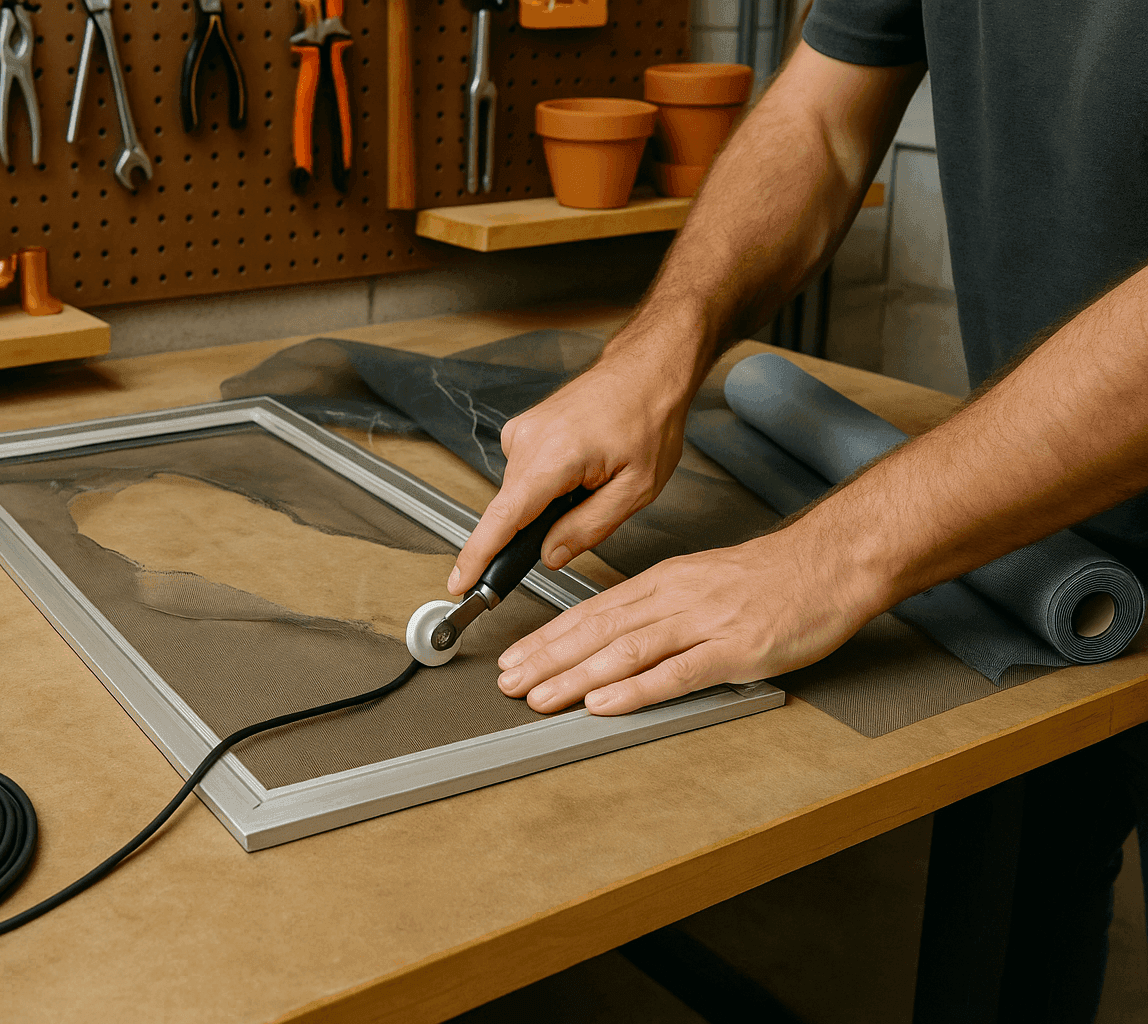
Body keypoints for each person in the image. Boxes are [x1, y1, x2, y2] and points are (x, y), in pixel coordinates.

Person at [446, 3, 1148, 1019]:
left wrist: (833, 553)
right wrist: (662, 344)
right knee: (1011, 932)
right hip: (1040, 529)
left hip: (1035, 506)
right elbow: (820, 119)